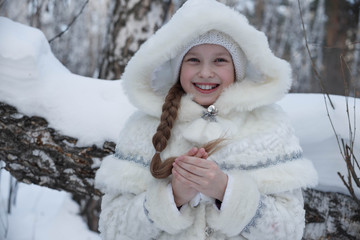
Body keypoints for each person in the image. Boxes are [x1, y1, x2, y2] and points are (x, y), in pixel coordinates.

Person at [95, 0, 318, 239]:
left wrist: (225, 191)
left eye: (220, 60)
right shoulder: (144, 126)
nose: (205, 72)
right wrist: (173, 198)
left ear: (237, 68)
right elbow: (113, 229)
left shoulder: (268, 126)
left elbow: (289, 230)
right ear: (178, 67)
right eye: (193, 60)